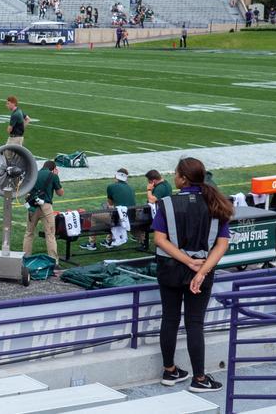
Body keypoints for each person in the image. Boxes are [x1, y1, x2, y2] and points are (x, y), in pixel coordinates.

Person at [154, 157, 233, 393]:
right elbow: (222, 244)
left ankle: (169, 371)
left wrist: (186, 260)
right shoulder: (216, 202)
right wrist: (201, 270)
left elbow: (160, 240)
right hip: (201, 269)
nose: (173, 177)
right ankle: (199, 378)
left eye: (176, 174)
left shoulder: (167, 203)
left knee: (169, 319)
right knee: (194, 323)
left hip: (170, 268)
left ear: (184, 178)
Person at [82, 169, 137, 251]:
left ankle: (91, 243)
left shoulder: (111, 187)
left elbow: (110, 204)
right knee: (112, 214)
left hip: (118, 218)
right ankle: (108, 240)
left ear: (116, 176)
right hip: (130, 218)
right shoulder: (131, 188)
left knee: (94, 216)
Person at [24, 161, 64, 264]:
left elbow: (25, 190)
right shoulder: (53, 176)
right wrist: (56, 176)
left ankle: (25, 258)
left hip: (32, 206)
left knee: (29, 233)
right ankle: (54, 261)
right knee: (50, 235)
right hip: (46, 207)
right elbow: (60, 193)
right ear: (53, 168)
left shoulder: (34, 174)